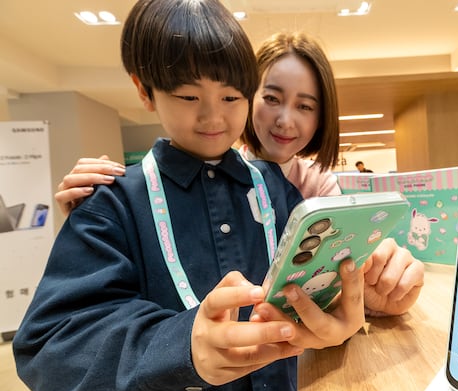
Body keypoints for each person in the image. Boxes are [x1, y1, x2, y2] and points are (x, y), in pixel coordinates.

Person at [12, 1, 367, 391]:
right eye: (188, 95)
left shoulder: (277, 191)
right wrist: (180, 348)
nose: (213, 117)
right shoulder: (112, 202)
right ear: (144, 90)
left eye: (231, 96)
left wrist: (336, 309)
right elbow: (52, 344)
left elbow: (317, 285)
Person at [55, 31, 425, 318]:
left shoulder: (319, 185)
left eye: (305, 106)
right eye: (272, 99)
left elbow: (331, 281)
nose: (285, 120)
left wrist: (376, 288)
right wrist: (101, 218)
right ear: (246, 96)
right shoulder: (202, 180)